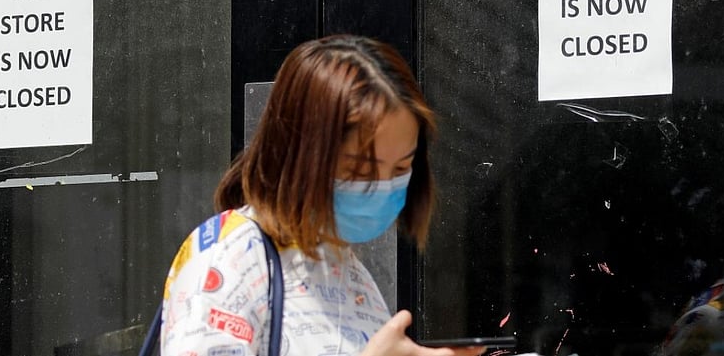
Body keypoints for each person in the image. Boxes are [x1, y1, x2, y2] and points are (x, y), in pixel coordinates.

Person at [161, 35, 484, 356]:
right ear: (301, 153)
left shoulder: (348, 270)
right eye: (361, 169)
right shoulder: (230, 257)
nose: (383, 186)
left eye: (402, 168)